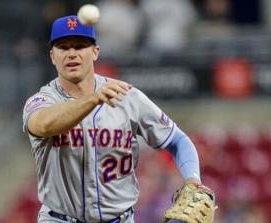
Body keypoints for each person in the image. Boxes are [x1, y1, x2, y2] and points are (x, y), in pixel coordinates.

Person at [22, 15, 205, 223]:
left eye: (80, 46)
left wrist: (193, 180)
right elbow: (43, 125)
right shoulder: (42, 100)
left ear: (95, 52)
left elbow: (177, 140)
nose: (71, 53)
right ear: (53, 56)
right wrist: (92, 99)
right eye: (63, 47)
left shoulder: (127, 96)